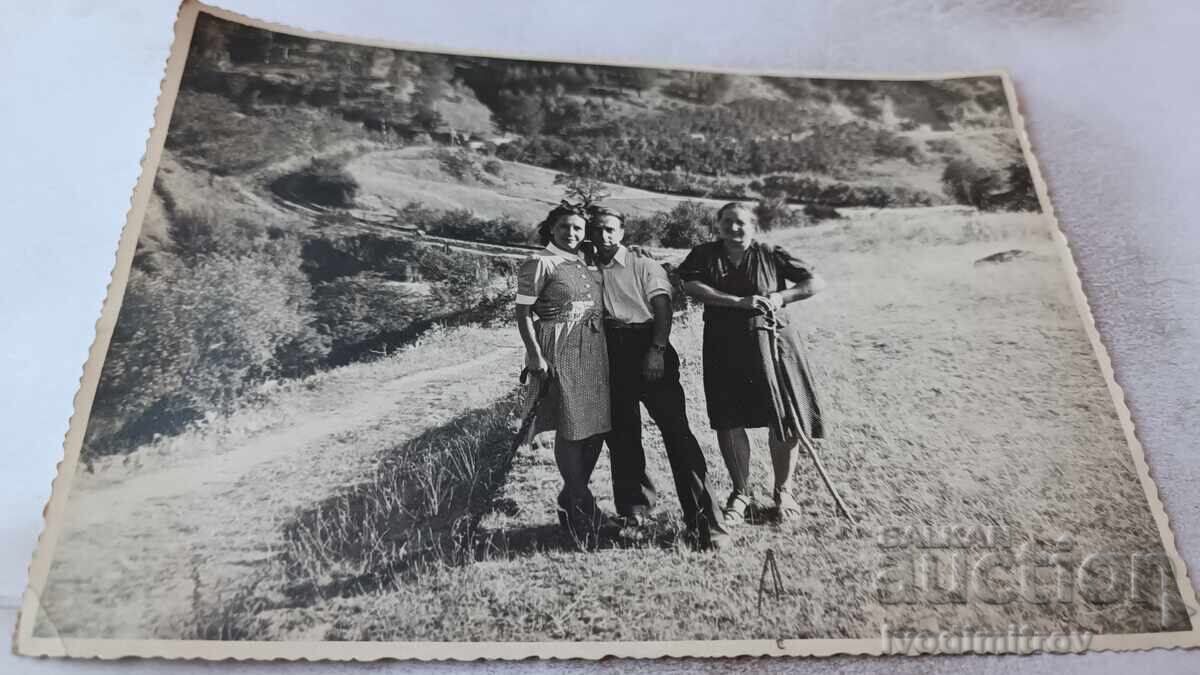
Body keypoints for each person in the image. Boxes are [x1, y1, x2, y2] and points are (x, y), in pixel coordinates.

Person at [586, 205, 731, 551]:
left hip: (647, 344)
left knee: (676, 433)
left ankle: (706, 523)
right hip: (611, 351)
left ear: (621, 233)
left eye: (610, 229)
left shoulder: (643, 265)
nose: (604, 236)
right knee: (622, 435)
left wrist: (656, 350)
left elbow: (663, 308)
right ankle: (635, 514)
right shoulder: (590, 270)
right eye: (598, 230)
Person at [676, 202, 826, 523]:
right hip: (724, 345)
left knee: (782, 416)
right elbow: (688, 284)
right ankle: (741, 492)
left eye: (741, 223)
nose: (734, 228)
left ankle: (783, 492)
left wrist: (780, 297)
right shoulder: (705, 255)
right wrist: (737, 302)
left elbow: (814, 282)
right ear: (718, 225)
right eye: (727, 222)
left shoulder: (770, 253)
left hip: (773, 344)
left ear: (753, 226)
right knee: (729, 418)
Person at [515, 202, 613, 543]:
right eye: (564, 228)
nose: (571, 233)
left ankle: (570, 496)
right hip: (559, 348)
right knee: (570, 427)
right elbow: (523, 313)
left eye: (577, 229)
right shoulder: (539, 262)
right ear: (551, 229)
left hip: (595, 350)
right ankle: (584, 505)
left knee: (596, 426)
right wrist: (534, 354)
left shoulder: (585, 262)